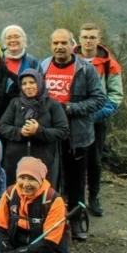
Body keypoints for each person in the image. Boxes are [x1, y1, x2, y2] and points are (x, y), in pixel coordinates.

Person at [40, 28, 104, 241]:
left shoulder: (85, 69)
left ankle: (76, 220)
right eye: (55, 43)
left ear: (72, 45)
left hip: (76, 135)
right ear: (51, 45)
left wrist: (69, 108)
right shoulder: (43, 65)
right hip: (49, 133)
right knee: (51, 179)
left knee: (76, 181)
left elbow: (98, 99)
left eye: (63, 43)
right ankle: (50, 219)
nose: (59, 47)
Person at [75, 23, 124, 217]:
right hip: (73, 120)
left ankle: (93, 197)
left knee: (94, 161)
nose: (88, 41)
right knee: (73, 160)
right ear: (79, 39)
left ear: (99, 39)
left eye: (92, 37)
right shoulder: (70, 59)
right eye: (85, 37)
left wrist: (95, 115)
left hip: (96, 121)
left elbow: (115, 96)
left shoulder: (109, 64)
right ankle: (73, 197)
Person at [0, 157, 69, 253]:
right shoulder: (10, 194)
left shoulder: (53, 200)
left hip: (47, 251)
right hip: (15, 246)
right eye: (22, 178)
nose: (26, 184)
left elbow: (49, 242)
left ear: (41, 179)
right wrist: (7, 251)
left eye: (32, 179)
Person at [0, 69, 69, 187]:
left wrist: (39, 131)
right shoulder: (15, 103)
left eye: (32, 82)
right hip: (15, 160)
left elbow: (63, 131)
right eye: (24, 84)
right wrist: (20, 132)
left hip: (44, 160)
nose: (28, 87)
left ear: (40, 83)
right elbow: (2, 126)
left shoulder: (53, 105)